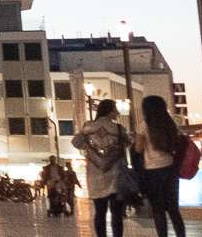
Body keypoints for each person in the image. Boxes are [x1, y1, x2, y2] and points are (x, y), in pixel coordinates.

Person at [74, 99, 132, 237]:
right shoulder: (118, 129)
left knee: (99, 212)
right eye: (115, 109)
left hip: (95, 176)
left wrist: (90, 147)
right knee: (116, 213)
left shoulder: (88, 127)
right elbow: (128, 143)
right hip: (115, 175)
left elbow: (76, 143)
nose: (117, 112)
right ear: (110, 110)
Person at [134, 95, 190, 237]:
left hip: (152, 171)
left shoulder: (144, 125)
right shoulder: (170, 123)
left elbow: (138, 149)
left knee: (158, 210)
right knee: (173, 210)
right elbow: (179, 142)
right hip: (170, 169)